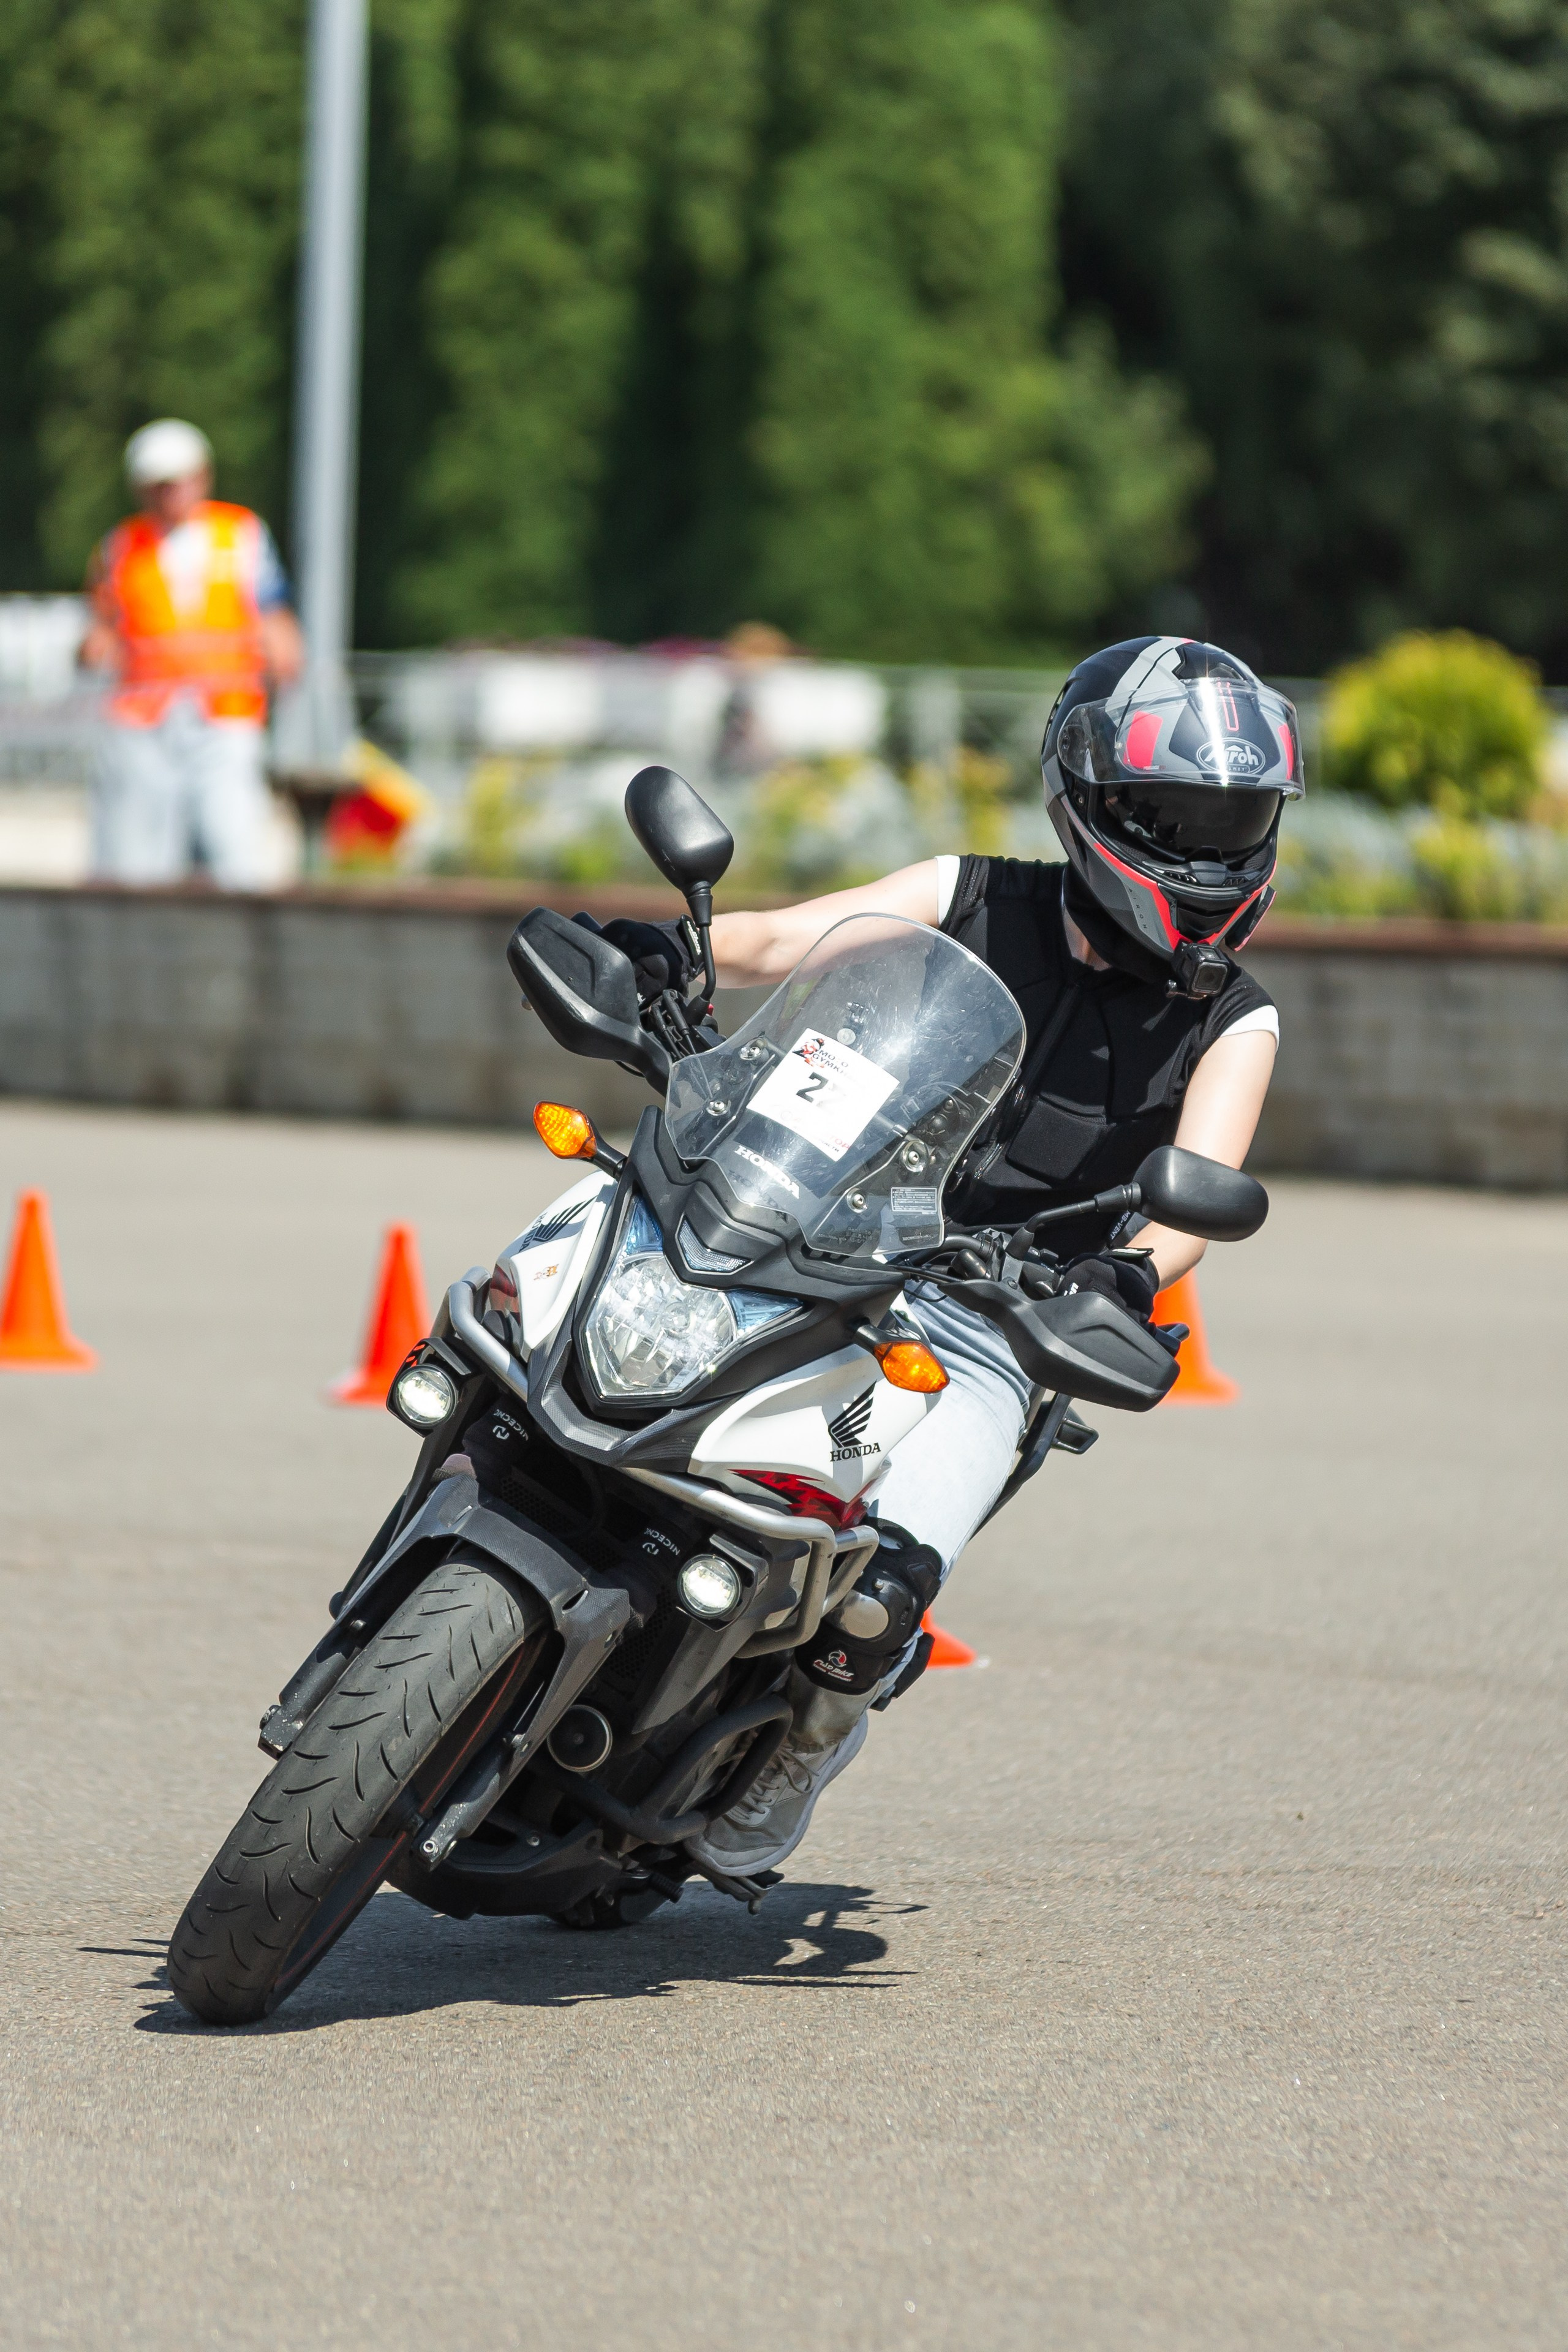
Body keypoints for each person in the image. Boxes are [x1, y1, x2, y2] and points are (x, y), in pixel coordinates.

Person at [600, 636, 1303, 1878]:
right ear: (1093, 803)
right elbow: (787, 941)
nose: (1204, 851)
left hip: (993, 1321)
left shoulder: (1233, 1018)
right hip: (817, 1229)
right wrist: (680, 953)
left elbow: (1192, 1200)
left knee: (881, 1591)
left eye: (1234, 819)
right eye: (1175, 815)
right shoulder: (970, 893)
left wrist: (1127, 1273)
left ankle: (797, 1749)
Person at [80, 418, 304, 888]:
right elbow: (102, 623)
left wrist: (284, 651)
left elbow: (271, 608)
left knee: (233, 847)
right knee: (140, 859)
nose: (169, 494)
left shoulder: (240, 533)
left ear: (201, 476)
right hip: (147, 718)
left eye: (177, 481)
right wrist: (92, 648)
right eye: (158, 485)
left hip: (225, 711)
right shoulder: (122, 545)